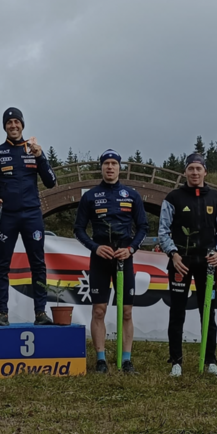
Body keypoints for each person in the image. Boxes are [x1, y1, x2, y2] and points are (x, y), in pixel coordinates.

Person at [73, 149, 149, 373]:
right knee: (99, 310)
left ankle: (126, 360)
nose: (110, 167)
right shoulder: (90, 196)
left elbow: (143, 227)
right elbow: (78, 229)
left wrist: (131, 249)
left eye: (114, 164)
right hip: (100, 258)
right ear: (101, 168)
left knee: (126, 311)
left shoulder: (131, 195)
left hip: (124, 258)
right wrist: (95, 248)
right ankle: (101, 360)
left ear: (119, 167)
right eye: (106, 163)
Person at [0, 107, 57, 326]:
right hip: (7, 217)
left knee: (38, 264)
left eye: (17, 122)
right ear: (4, 126)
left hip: (32, 215)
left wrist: (41, 157)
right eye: (9, 122)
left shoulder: (33, 150)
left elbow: (51, 181)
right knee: (2, 265)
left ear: (22, 125)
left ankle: (41, 312)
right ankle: (2, 313)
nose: (13, 126)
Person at [158, 154, 217, 378]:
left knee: (208, 312)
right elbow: (163, 231)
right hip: (181, 263)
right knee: (177, 312)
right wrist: (173, 254)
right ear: (185, 172)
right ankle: (176, 361)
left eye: (199, 169)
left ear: (205, 172)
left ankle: (211, 361)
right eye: (191, 169)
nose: (195, 173)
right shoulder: (173, 197)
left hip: (207, 263)